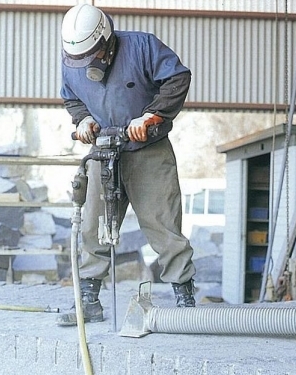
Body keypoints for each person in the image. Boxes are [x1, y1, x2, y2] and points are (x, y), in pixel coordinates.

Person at [58, 4, 196, 326]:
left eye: (92, 56)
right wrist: (84, 119)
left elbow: (177, 78)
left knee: (162, 223)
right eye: (81, 60)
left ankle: (184, 296)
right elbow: (71, 98)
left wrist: (152, 114)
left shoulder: (143, 47)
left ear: (105, 40)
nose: (86, 64)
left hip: (147, 148)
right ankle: (89, 299)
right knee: (93, 225)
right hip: (103, 149)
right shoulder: (72, 63)